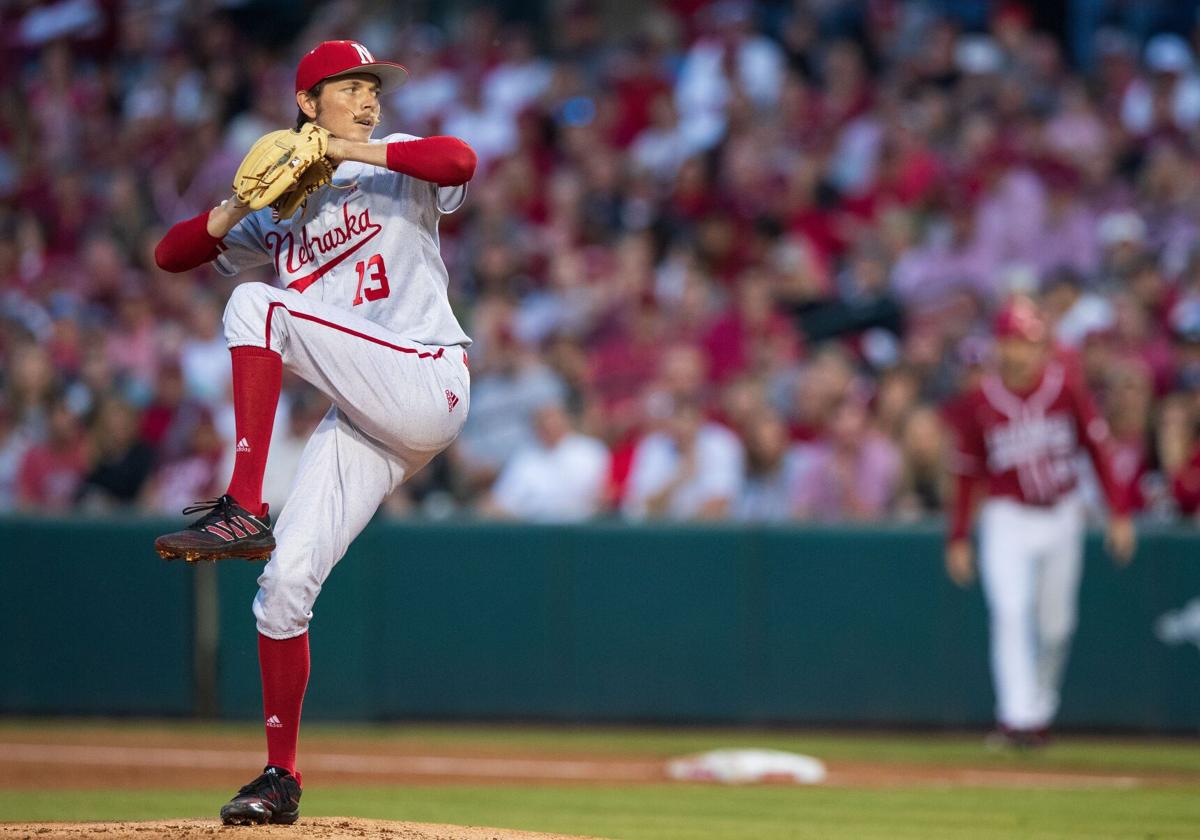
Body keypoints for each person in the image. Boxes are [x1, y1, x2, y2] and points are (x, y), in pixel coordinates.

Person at [151, 40, 476, 825]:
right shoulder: (282, 208)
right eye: (349, 87)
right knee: (283, 588)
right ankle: (279, 776)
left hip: (428, 378)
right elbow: (171, 254)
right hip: (366, 416)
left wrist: (340, 147)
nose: (368, 98)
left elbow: (460, 160)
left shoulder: (393, 158)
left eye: (374, 87)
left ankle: (242, 502)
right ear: (306, 99)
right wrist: (236, 205)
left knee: (256, 307)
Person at [944, 296, 1136, 747]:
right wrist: (957, 536)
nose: (1020, 352)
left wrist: (1119, 512)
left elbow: (1099, 453)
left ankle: (1039, 706)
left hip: (1061, 513)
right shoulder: (979, 401)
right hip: (1007, 516)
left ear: (1042, 347)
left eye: (1029, 342)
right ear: (1000, 345)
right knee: (1010, 613)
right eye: (1013, 341)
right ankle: (1016, 718)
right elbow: (967, 474)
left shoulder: (1066, 388)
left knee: (1055, 626)